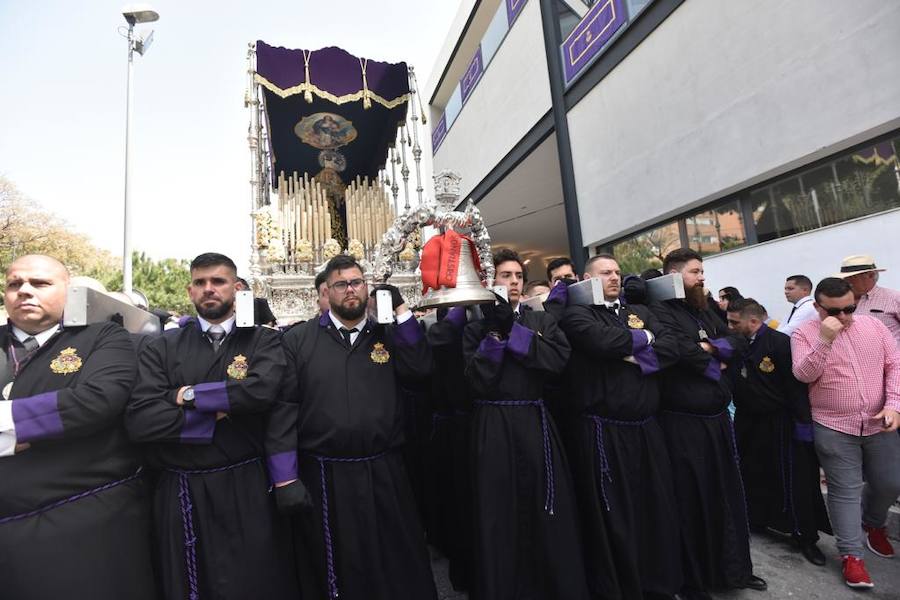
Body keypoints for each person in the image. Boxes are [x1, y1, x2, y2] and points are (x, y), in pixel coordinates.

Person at [126, 252, 298, 599]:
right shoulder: (161, 346)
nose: (209, 289)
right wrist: (215, 413)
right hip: (181, 488)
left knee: (253, 579)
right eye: (200, 283)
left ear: (236, 288)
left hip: (245, 483)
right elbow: (141, 419)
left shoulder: (263, 341)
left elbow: (261, 392)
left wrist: (185, 395)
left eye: (218, 281)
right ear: (190, 291)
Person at [280, 255, 437, 600]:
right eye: (341, 284)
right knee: (337, 563)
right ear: (325, 291)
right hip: (325, 474)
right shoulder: (298, 341)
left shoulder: (388, 334)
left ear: (367, 288)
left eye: (357, 282)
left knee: (396, 558)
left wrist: (402, 310)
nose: (351, 290)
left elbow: (420, 370)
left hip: (384, 469)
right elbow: (284, 410)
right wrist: (285, 477)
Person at [0, 255, 157, 599]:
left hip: (77, 525)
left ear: (68, 292)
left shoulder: (102, 338)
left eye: (40, 283)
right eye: (14, 284)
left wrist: (6, 424)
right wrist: (32, 429)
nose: (24, 291)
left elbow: (96, 401)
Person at [464, 248, 589, 600]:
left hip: (534, 421)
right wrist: (495, 335)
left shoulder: (541, 319)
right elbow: (475, 380)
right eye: (506, 276)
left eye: (518, 276)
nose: (514, 282)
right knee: (498, 511)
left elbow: (555, 361)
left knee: (546, 508)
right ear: (491, 282)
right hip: (492, 425)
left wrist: (514, 333)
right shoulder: (475, 326)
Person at [560, 254, 683, 600]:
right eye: (605, 273)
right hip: (604, 433)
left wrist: (632, 352)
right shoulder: (577, 314)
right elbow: (601, 342)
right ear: (586, 279)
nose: (614, 278)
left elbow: (673, 345)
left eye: (617, 272)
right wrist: (645, 341)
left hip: (646, 427)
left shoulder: (640, 311)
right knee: (615, 516)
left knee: (654, 508)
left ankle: (657, 584)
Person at [651, 248, 766, 599]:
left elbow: (737, 340)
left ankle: (733, 570)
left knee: (725, 498)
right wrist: (713, 353)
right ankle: (694, 580)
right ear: (673, 275)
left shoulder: (707, 310)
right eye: (694, 272)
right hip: (682, 425)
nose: (702, 278)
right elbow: (679, 351)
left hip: (716, 421)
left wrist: (710, 347)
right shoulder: (659, 312)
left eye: (702, 271)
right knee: (690, 501)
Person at [791, 277, 900, 589]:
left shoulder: (874, 327)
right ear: (817, 307)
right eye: (834, 311)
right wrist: (824, 340)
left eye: (849, 309)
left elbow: (895, 365)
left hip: (880, 421)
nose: (843, 317)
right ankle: (851, 556)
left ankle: (873, 524)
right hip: (833, 426)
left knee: (890, 482)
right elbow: (803, 374)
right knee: (845, 490)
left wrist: (895, 404)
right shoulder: (804, 333)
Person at [726, 298, 831, 565]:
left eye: (734, 322)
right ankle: (757, 519)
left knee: (793, 481)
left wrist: (803, 425)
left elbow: (796, 389)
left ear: (753, 321)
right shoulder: (737, 344)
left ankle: (805, 538)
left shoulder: (779, 344)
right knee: (753, 473)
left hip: (780, 423)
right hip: (748, 421)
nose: (730, 326)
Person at [837, 254, 900, 346]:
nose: (847, 281)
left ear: (871, 275)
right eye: (845, 278)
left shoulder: (894, 298)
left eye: (852, 277)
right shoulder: (839, 301)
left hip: (890, 358)